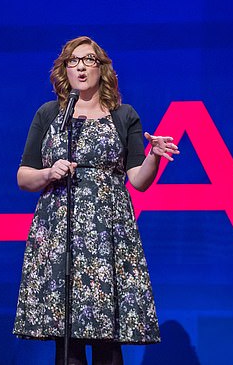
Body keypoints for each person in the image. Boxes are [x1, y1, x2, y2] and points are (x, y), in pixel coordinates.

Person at [13, 36, 179, 365]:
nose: (81, 67)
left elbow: (138, 180)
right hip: (61, 232)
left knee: (107, 340)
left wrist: (154, 157)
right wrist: (48, 173)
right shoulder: (49, 114)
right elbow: (23, 176)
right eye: (73, 61)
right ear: (64, 70)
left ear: (101, 68)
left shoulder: (123, 115)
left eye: (89, 60)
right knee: (67, 341)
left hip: (108, 232)